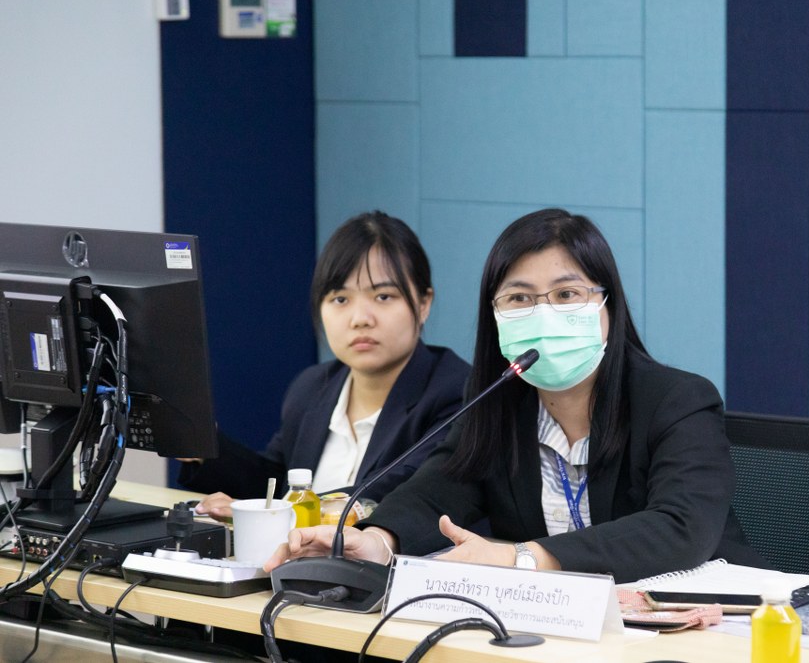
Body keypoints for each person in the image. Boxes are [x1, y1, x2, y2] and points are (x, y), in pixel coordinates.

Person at [264, 208, 762, 583]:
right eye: (520, 298)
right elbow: (436, 492)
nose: (544, 313)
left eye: (566, 294)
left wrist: (522, 558)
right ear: (495, 315)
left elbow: (680, 527)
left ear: (607, 304)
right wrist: (376, 540)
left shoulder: (677, 400)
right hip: (560, 632)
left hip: (704, 624)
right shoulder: (498, 404)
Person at [179, 211, 470, 520]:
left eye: (383, 296)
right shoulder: (312, 386)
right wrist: (203, 445)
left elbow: (402, 491)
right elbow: (276, 483)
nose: (360, 319)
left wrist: (286, 511)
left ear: (424, 303)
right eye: (340, 299)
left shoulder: (458, 392)